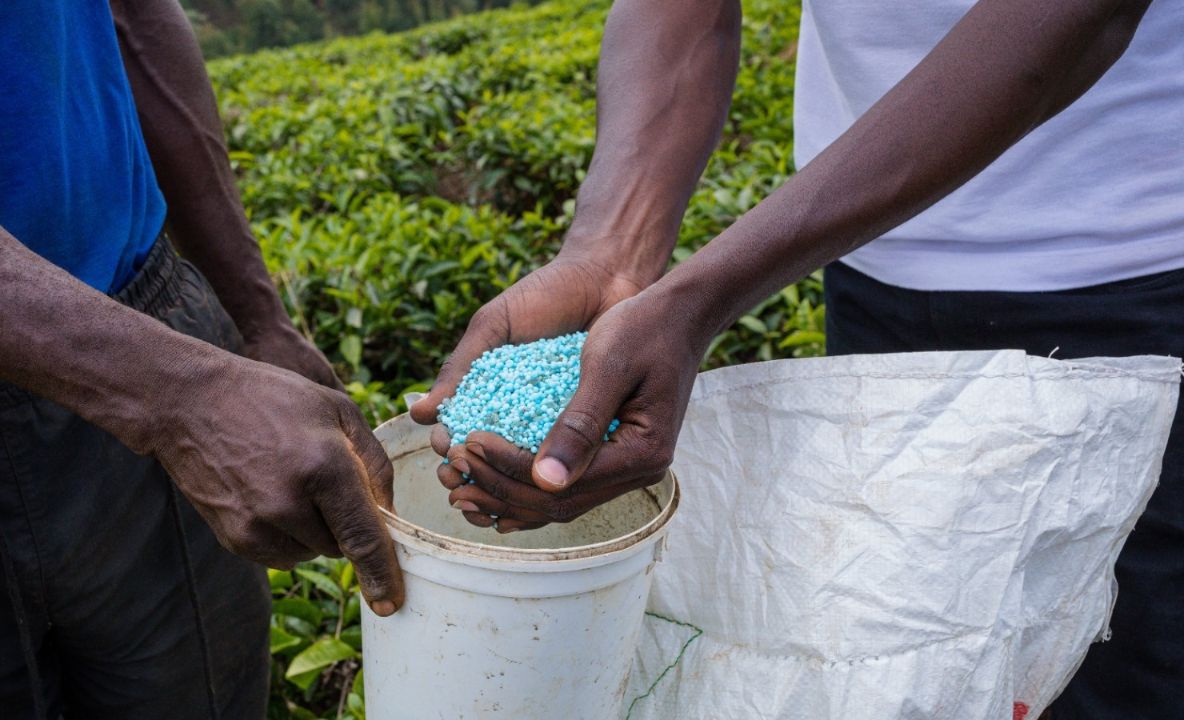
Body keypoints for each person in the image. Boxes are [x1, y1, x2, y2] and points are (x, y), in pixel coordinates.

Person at [411, 0, 1183, 716]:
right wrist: (612, 255)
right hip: (868, 253)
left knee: (1125, 660)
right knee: (905, 648)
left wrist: (697, 298)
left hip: (1132, 267)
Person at [0, 2, 404, 718]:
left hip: (145, 326)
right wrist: (173, 394)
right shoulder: (171, 392)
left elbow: (136, 17)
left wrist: (254, 316)